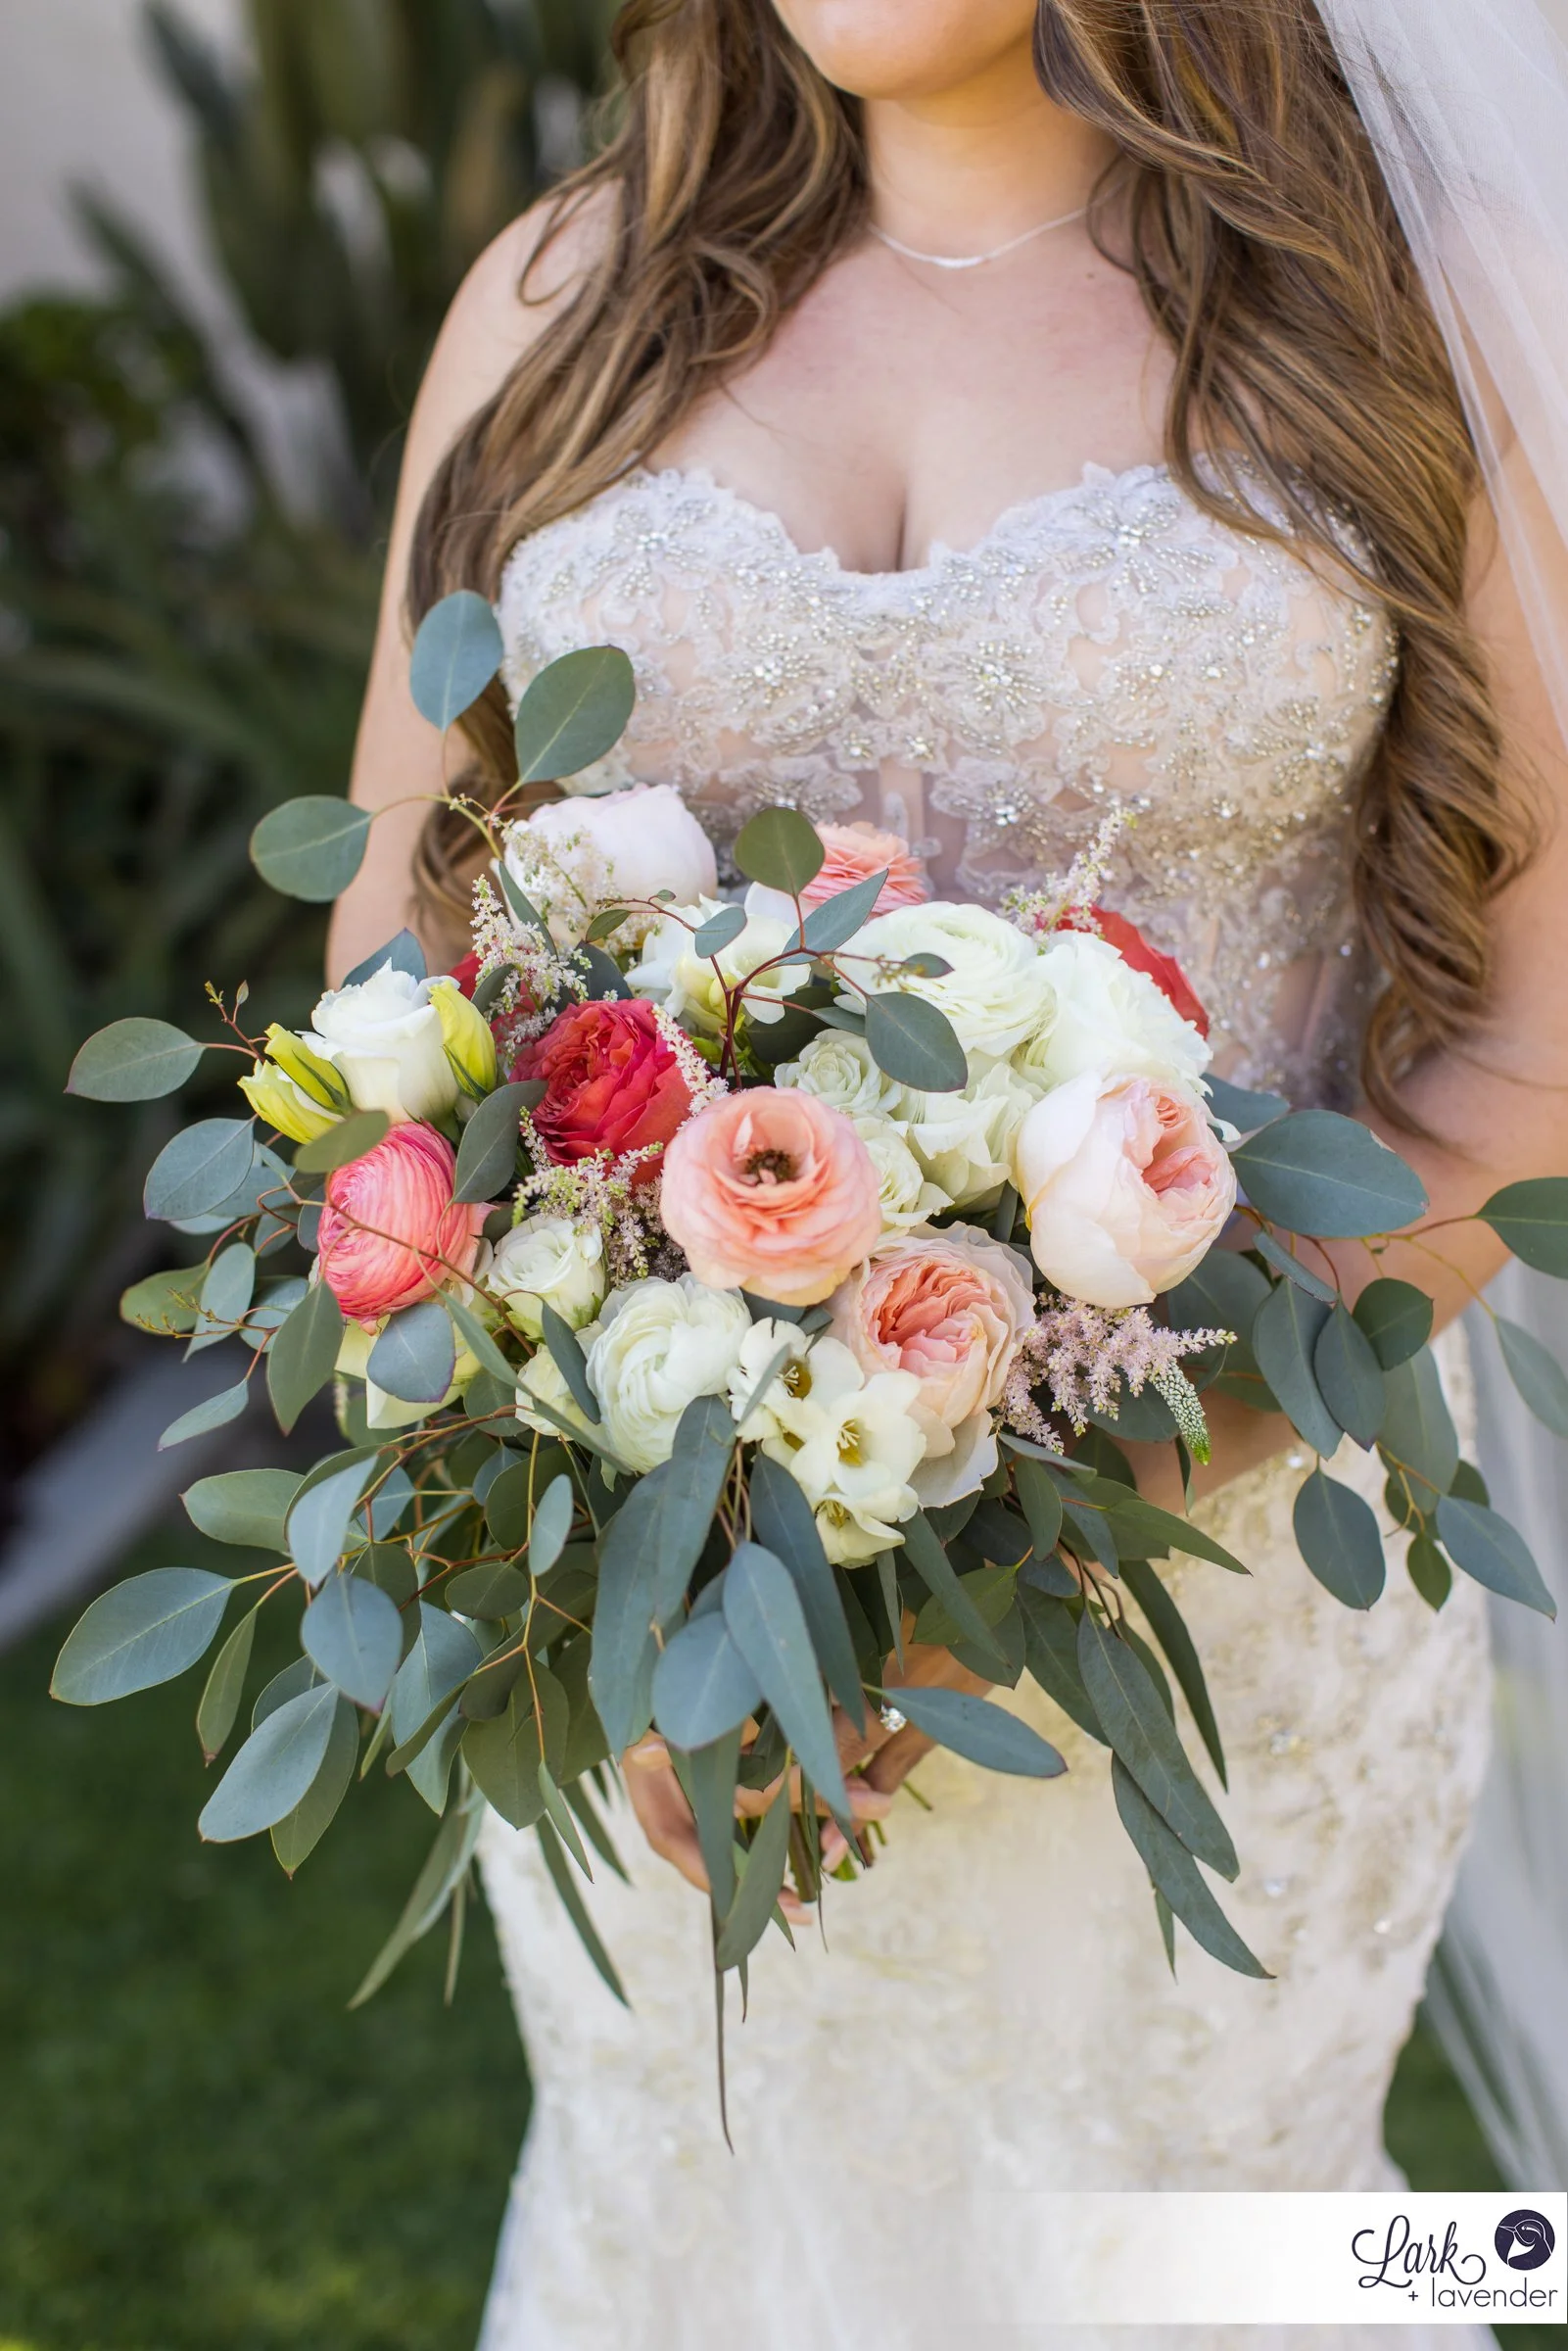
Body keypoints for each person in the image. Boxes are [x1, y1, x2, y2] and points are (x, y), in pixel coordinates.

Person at [330, 4, 1568, 2343]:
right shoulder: (554, 307)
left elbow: (1536, 1048)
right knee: (689, 2232)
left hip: (1221, 1609)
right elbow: (403, 962)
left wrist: (1034, 1499)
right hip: (659, 1625)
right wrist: (609, 1535)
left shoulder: (1416, 310)